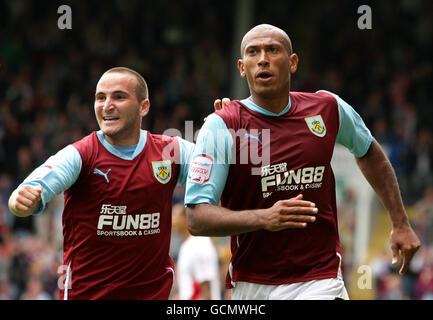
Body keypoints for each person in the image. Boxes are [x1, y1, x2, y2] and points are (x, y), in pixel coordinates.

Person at [184, 24, 421, 300]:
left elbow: (368, 151)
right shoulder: (223, 126)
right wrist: (265, 217)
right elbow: (196, 217)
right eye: (253, 52)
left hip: (319, 279)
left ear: (293, 62)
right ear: (241, 66)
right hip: (252, 284)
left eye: (272, 50)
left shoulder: (327, 108)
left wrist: (400, 222)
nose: (263, 58)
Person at [8, 67, 201, 299]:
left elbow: (222, 167)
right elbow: (26, 192)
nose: (107, 105)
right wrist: (20, 200)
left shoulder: (171, 151)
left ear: (144, 106)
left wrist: (221, 128)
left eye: (119, 97)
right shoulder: (81, 155)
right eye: (101, 97)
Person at [172, 203, 221, 300]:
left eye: (174, 215)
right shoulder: (187, 245)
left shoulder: (199, 243)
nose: (172, 221)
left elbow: (206, 291)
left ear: (185, 218)